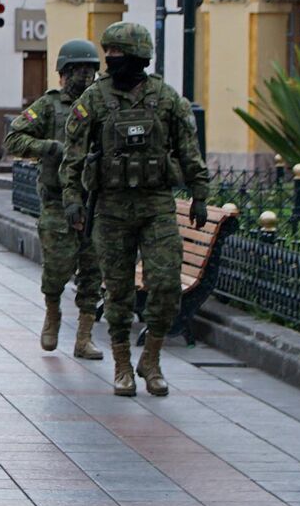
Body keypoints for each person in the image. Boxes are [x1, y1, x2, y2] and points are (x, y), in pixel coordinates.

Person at [60, 22, 209, 398]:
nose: (110, 60)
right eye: (107, 53)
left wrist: (200, 193)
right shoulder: (94, 99)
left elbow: (189, 149)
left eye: (117, 54)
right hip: (111, 206)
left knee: (164, 284)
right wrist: (72, 200)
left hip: (156, 203)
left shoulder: (166, 98)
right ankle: (123, 363)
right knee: (119, 290)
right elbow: (73, 155)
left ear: (138, 57)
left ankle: (152, 358)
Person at [4, 39, 105, 358]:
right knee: (57, 267)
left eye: (90, 69)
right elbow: (14, 139)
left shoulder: (102, 104)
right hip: (57, 202)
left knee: (93, 272)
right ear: (63, 72)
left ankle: (84, 336)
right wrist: (48, 148)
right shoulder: (49, 106)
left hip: (95, 202)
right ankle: (52, 314)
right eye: (78, 69)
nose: (85, 75)